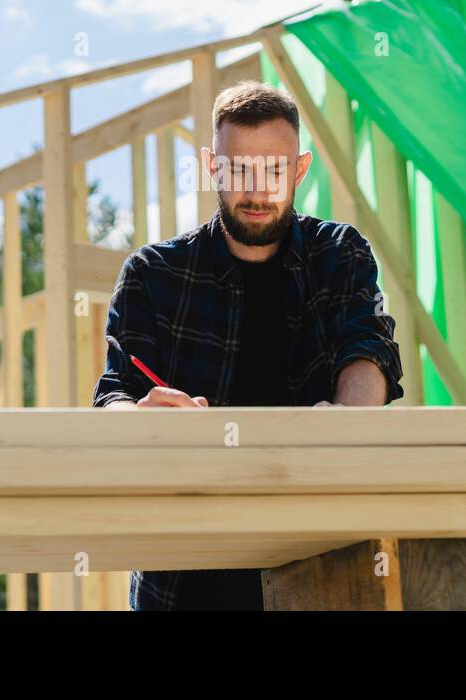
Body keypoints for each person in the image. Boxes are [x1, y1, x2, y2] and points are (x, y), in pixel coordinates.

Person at [92, 80, 403, 610]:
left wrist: (349, 421)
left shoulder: (339, 254)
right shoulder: (154, 275)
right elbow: (113, 395)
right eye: (238, 170)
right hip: (186, 578)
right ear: (213, 166)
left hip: (322, 557)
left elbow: (368, 348)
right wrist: (138, 415)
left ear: (300, 170)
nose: (257, 192)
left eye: (275, 171)